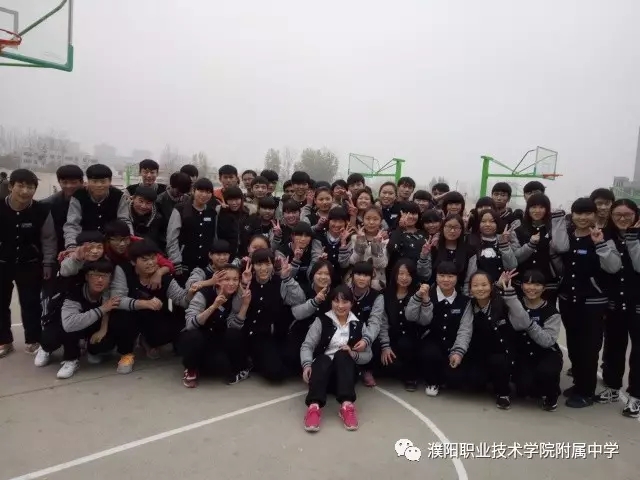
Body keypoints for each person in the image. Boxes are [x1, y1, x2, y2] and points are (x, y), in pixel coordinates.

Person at [551, 199, 621, 408]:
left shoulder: (603, 236)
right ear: (572, 215)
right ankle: (579, 384)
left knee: (589, 348)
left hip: (592, 303)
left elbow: (613, 267)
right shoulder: (569, 236)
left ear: (594, 215)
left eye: (587, 213)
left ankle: (586, 392)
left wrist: (600, 243)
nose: (582, 218)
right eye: (578, 213)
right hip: (568, 301)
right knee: (574, 345)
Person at [111, 239, 196, 372]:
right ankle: (126, 354)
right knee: (121, 317)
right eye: (144, 260)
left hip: (156, 315)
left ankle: (148, 341)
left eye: (153, 258)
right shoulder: (123, 270)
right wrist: (143, 303)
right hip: (132, 314)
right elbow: (117, 299)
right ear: (133, 262)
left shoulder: (164, 276)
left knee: (174, 319)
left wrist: (191, 293)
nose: (150, 263)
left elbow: (181, 299)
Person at [36, 259, 128, 379]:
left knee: (104, 341)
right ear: (86, 277)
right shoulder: (75, 291)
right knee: (51, 338)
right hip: (63, 324)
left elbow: (128, 304)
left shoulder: (110, 293)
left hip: (91, 325)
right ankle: (64, 356)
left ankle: (90, 348)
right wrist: (102, 309)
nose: (100, 280)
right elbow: (69, 324)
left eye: (104, 276)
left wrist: (147, 303)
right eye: (94, 275)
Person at [300, 285, 373, 432]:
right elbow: (307, 345)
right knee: (323, 359)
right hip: (322, 376)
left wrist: (353, 354)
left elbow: (368, 355)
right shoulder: (322, 321)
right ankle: (314, 408)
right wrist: (306, 365)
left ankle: (347, 406)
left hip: (345, 378)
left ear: (352, 303)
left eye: (345, 302)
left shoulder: (359, 324)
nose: (340, 306)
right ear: (331, 302)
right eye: (336, 301)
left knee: (343, 354)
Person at [0, 169, 57, 357]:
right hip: (2, 263)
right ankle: (4, 341)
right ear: (11, 187)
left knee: (31, 303)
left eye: (30, 187)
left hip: (30, 264)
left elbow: (48, 239)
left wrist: (48, 264)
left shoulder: (42, 211)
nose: (25, 191)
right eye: (20, 186)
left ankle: (32, 340)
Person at [180, 264, 252, 387]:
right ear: (217, 280)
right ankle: (191, 369)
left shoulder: (236, 297)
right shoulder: (204, 294)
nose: (231, 283)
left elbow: (234, 327)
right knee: (193, 337)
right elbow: (190, 324)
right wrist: (213, 306)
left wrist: (245, 305)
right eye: (226, 279)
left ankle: (241, 367)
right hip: (200, 336)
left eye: (235, 279)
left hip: (217, 339)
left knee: (220, 364)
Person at [502, 269, 563, 411]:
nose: (532, 288)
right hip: (523, 353)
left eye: (537, 284)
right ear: (522, 286)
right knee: (524, 389)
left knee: (547, 372)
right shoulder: (515, 304)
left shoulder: (551, 312)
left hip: (545, 353)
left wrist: (529, 325)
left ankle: (551, 396)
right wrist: (500, 284)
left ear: (544, 288)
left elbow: (548, 341)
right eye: (528, 283)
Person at [64, 164, 132, 249]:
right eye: (95, 181)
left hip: (111, 244)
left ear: (110, 181)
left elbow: (124, 220)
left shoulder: (119, 196)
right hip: (85, 244)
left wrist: (129, 239)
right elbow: (72, 224)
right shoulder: (78, 196)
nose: (99, 185)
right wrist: (71, 246)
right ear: (88, 181)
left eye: (103, 181)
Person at [166, 178, 218, 278]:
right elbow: (172, 238)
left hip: (205, 264)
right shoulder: (180, 209)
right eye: (200, 191)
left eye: (208, 192)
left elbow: (214, 237)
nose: (204, 195)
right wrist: (176, 261)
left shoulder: (212, 212)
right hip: (184, 263)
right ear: (193, 191)